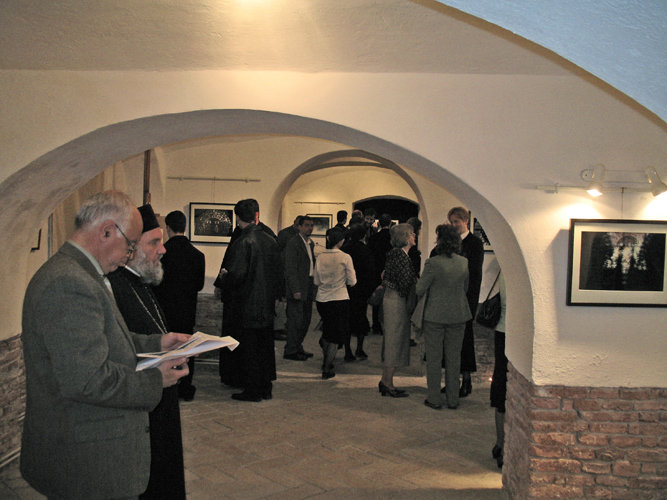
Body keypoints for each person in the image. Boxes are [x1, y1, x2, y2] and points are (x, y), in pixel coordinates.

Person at [21, 191, 189, 500]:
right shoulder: (69, 283)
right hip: (86, 459)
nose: (129, 252)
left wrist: (158, 342)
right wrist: (156, 379)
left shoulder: (83, 274)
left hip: (88, 448)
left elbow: (108, 341)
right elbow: (86, 380)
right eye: (130, 243)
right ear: (107, 231)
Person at [108, 204, 186, 500]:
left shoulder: (141, 282)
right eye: (154, 242)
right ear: (131, 249)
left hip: (160, 397)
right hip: (139, 404)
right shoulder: (113, 285)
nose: (163, 250)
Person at [216, 199, 281, 401]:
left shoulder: (243, 242)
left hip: (248, 304)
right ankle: (265, 387)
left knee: (250, 350)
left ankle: (252, 390)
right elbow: (278, 273)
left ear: (237, 218)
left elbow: (237, 276)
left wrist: (225, 275)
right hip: (266, 304)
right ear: (256, 215)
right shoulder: (270, 240)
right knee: (264, 348)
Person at [416, 224, 472, 411]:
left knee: (434, 358)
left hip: (435, 315)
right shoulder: (463, 262)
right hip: (458, 314)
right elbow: (465, 288)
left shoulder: (433, 263)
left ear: (440, 240)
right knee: (454, 358)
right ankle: (453, 399)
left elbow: (419, 289)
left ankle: (434, 398)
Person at [431, 207, 484, 397]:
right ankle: (452, 381)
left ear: (465, 221)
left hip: (464, 300)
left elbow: (475, 276)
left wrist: (470, 303)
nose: (454, 225)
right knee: (449, 344)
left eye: (457, 222)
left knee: (465, 342)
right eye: (451, 222)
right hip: (447, 300)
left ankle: (466, 380)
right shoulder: (447, 243)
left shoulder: (474, 243)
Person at [154, 210, 206, 402]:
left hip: (164, 311)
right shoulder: (197, 255)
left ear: (167, 228)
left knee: (165, 349)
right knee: (185, 349)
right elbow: (199, 285)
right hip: (186, 310)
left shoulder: (161, 255)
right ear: (185, 226)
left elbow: (154, 283)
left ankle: (167, 386)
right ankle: (185, 387)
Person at [378, 223, 418, 398]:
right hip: (396, 301)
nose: (415, 236)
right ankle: (387, 383)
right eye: (412, 234)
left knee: (393, 340)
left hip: (394, 299)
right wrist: (417, 281)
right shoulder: (399, 255)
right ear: (407, 238)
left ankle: (386, 381)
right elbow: (405, 283)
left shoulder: (398, 254)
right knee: (394, 340)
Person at [314, 227, 357, 379]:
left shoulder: (319, 257)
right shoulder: (345, 257)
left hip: (322, 299)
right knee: (334, 335)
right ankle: (326, 368)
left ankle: (326, 361)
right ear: (342, 241)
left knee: (327, 331)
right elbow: (352, 281)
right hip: (339, 299)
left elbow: (316, 280)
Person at [341, 223, 377, 360]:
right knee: (361, 318)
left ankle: (347, 351)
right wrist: (369, 291)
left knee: (347, 320)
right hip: (361, 290)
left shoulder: (344, 250)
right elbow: (370, 272)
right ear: (364, 235)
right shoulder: (365, 250)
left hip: (346, 289)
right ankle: (359, 349)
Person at [283, 215, 317, 361]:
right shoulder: (293, 243)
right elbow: (290, 268)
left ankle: (298, 346)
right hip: (298, 287)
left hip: (308, 284)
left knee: (305, 320)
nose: (310, 228)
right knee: (295, 320)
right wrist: (295, 289)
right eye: (307, 225)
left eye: (311, 225)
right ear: (299, 227)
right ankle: (290, 350)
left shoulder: (310, 243)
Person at [490, 271, 507, 468]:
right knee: (502, 388)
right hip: (512, 331)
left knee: (500, 387)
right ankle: (503, 445)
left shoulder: (504, 269)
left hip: (502, 331)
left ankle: (500, 443)